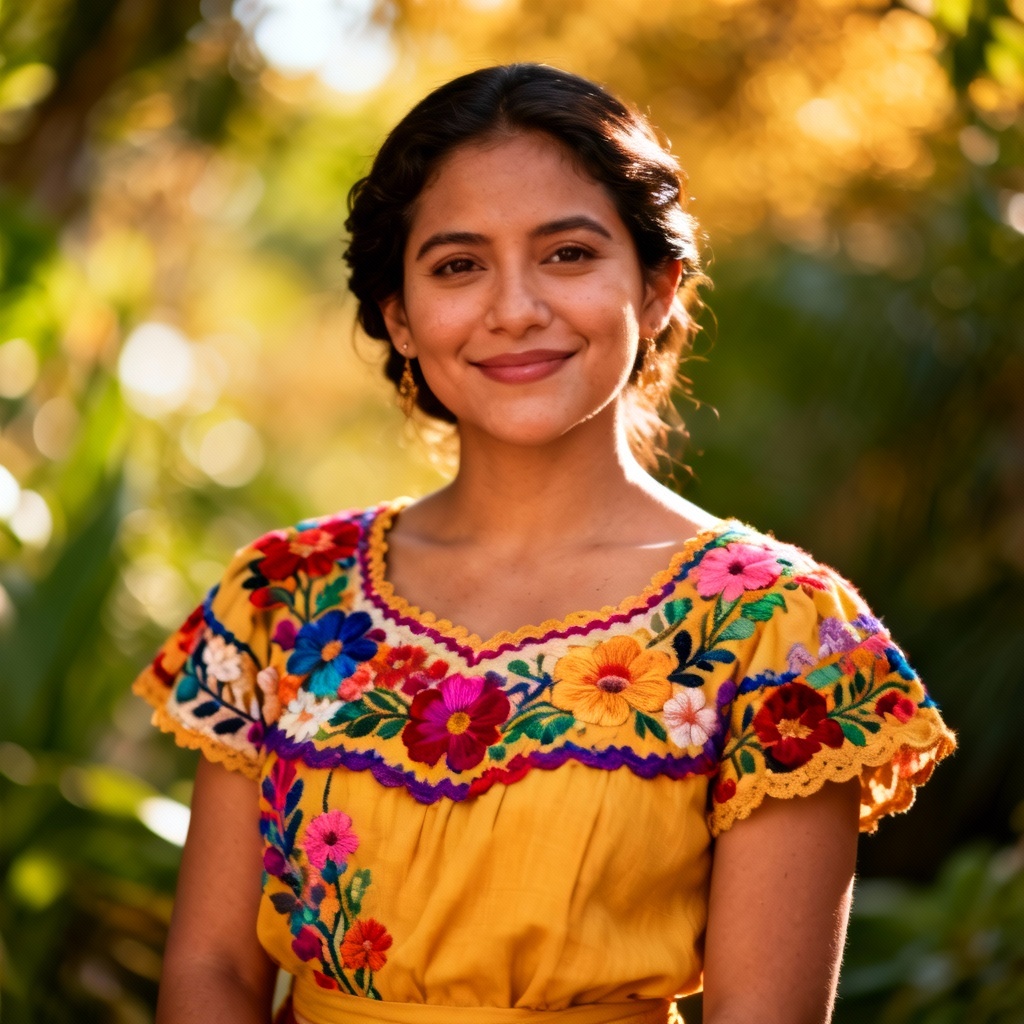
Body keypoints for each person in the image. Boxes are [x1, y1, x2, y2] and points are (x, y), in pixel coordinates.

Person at [133, 63, 955, 1024]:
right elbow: (213, 972)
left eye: (567, 254)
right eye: (458, 265)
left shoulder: (779, 629)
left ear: (657, 288)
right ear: (400, 316)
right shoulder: (284, 595)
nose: (515, 308)